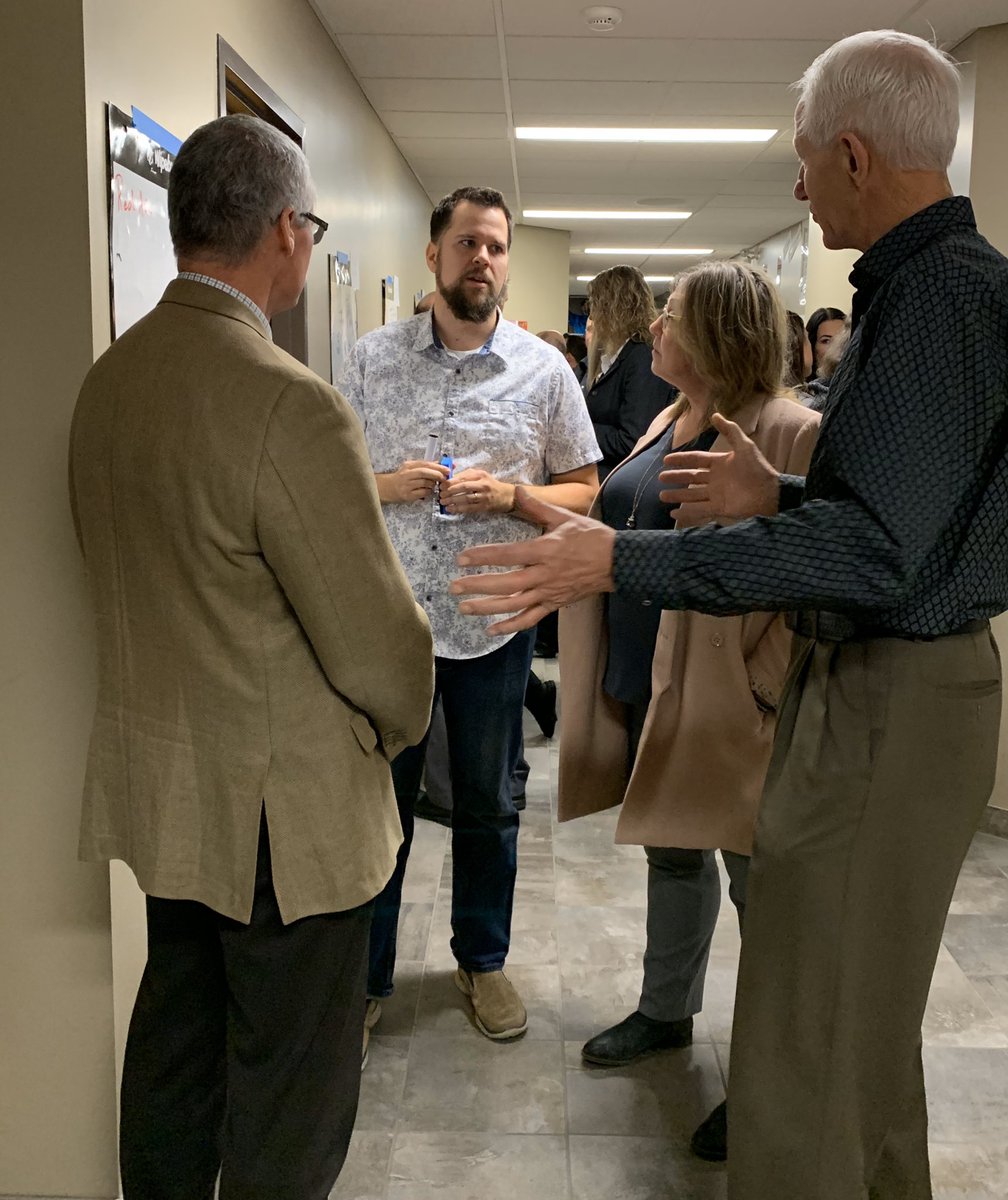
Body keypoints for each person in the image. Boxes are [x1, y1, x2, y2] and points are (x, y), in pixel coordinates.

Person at [451, 30, 1008, 1197]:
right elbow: (900, 517)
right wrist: (783, 496)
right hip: (880, 685)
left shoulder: (938, 302)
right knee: (853, 1032)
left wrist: (626, 564)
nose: (799, 186)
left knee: (806, 1041)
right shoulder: (931, 293)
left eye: (807, 161)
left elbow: (878, 555)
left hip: (893, 695)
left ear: (854, 153)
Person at [69, 114, 434, 1200]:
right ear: (285, 230)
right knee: (290, 1102)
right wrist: (398, 727)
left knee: (176, 1061)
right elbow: (380, 648)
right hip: (287, 826)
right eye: (311, 225)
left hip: (169, 799)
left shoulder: (109, 386)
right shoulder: (288, 404)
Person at [340, 185, 600, 1042]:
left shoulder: (544, 370)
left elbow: (587, 493)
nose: (481, 260)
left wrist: (514, 493)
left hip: (494, 623)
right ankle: (368, 978)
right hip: (389, 628)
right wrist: (386, 485)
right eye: (466, 244)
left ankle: (482, 964)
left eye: (494, 246)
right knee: (385, 810)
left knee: (489, 807)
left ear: (505, 261)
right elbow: (322, 482)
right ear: (434, 257)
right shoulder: (371, 362)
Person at [560, 264, 819, 1086]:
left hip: (732, 701)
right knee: (672, 852)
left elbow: (810, 575)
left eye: (672, 319)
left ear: (717, 335)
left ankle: (770, 1083)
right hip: (653, 678)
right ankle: (666, 1010)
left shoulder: (785, 430)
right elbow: (624, 517)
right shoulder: (673, 413)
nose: (656, 332)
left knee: (759, 889)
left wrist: (761, 684)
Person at [583, 265, 678, 477]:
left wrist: (577, 427)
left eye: (595, 305)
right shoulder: (613, 356)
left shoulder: (643, 357)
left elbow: (632, 440)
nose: (592, 315)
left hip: (622, 477)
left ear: (612, 308)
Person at [805, 304, 846, 378]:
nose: (835, 347)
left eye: (841, 340)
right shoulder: (798, 388)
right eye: (826, 341)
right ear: (812, 345)